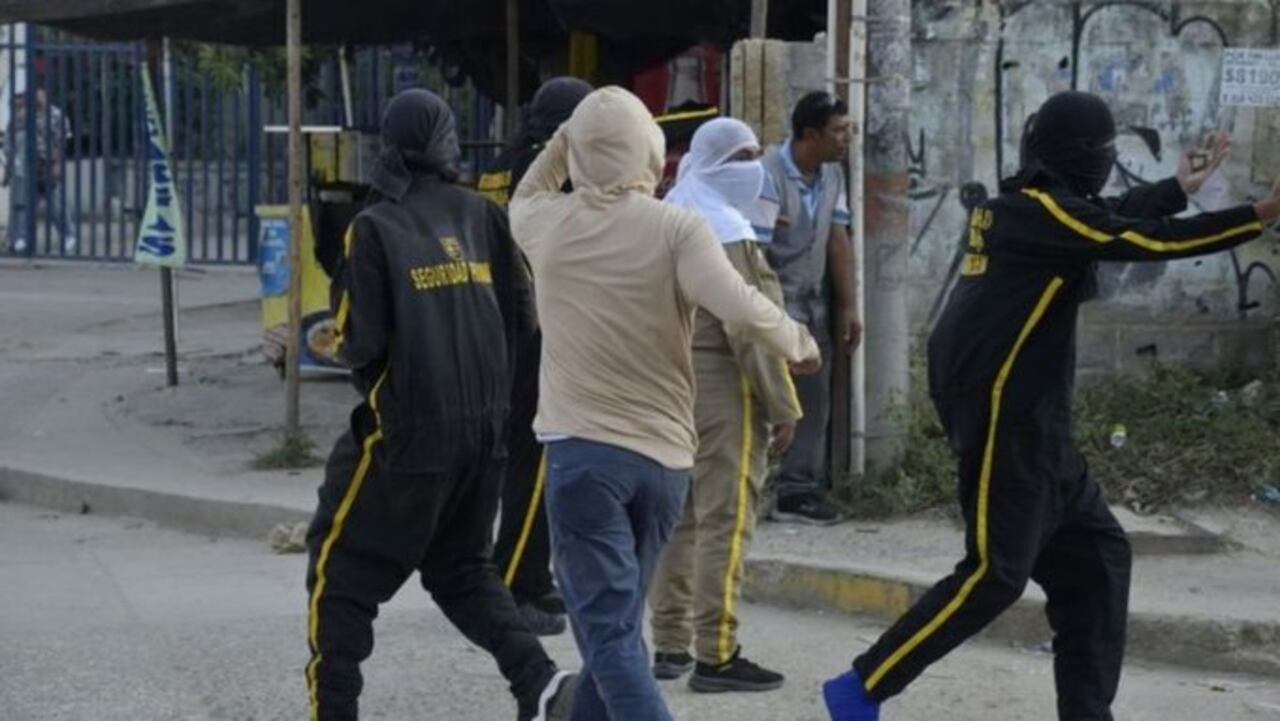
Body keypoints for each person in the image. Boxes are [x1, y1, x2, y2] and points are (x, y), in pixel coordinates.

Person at [823, 90, 1280, 721]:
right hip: (1008, 426)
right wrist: (1259, 213)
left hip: (1042, 429)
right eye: (1103, 151)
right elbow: (1137, 240)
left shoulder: (1033, 210)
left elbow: (1109, 221)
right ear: (1075, 153)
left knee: (1097, 562)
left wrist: (1176, 187)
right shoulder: (1035, 213)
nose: (1107, 161)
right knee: (994, 576)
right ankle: (861, 687)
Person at [509, 86, 821, 721]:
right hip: (663, 465)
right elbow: (742, 305)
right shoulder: (679, 228)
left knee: (612, 633)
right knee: (617, 625)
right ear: (651, 150)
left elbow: (533, 184)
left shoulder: (545, 224)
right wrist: (799, 343)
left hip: (583, 459)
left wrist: (574, 134)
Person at [304, 89, 574, 721]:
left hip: (408, 435)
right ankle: (541, 684)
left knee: (336, 571)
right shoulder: (483, 214)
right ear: (448, 141)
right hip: (485, 435)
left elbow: (353, 339)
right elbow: (521, 319)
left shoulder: (372, 227)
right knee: (461, 569)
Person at [648, 118, 801, 694]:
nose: (753, 167)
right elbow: (750, 327)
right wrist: (782, 404)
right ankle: (716, 652)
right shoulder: (723, 233)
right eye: (742, 156)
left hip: (672, 388)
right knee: (725, 519)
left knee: (680, 520)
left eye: (757, 155)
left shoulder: (672, 217)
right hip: (724, 389)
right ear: (713, 163)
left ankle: (669, 643)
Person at [478, 76, 593, 637]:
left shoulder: (500, 165)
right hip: (540, 331)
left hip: (498, 327)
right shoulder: (555, 171)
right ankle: (512, 583)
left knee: (528, 459)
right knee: (536, 462)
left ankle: (533, 576)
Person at [761, 91, 861, 526]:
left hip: (813, 303)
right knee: (767, 395)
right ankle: (759, 484)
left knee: (813, 396)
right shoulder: (766, 173)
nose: (847, 139)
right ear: (810, 134)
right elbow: (753, 247)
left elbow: (838, 238)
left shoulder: (832, 174)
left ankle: (796, 490)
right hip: (772, 302)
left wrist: (849, 304)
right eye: (838, 131)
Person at [6, 88, 77, 255]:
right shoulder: (19, 117)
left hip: (46, 164)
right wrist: (8, 170)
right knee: (21, 204)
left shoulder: (55, 115)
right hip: (22, 167)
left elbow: (62, 142)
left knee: (55, 204)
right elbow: (11, 143)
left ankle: (68, 236)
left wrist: (58, 163)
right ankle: (20, 240)